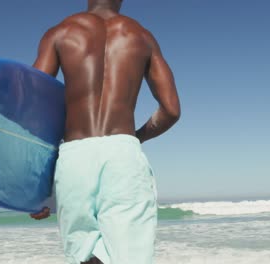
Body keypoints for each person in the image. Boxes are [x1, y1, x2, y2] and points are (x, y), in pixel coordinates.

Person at [30, 0, 180, 263]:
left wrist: (35, 187)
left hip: (74, 153)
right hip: (123, 152)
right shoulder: (142, 37)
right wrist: (137, 136)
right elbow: (170, 110)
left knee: (83, 254)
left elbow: (32, 105)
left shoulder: (60, 32)